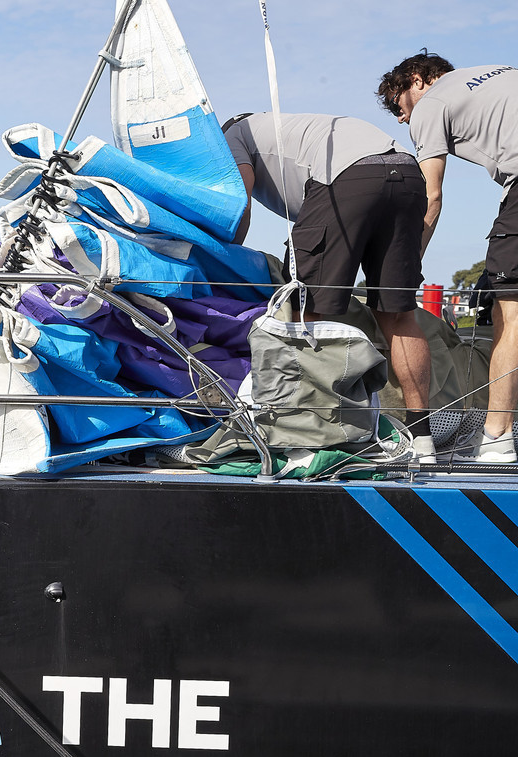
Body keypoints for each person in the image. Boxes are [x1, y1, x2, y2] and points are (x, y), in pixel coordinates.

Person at [222, 111, 436, 460]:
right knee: (398, 316)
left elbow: (239, 204)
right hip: (409, 175)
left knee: (310, 312)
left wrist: (225, 259)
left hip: (345, 178)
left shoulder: (232, 134)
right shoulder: (291, 125)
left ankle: (313, 433)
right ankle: (422, 439)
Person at [378, 52, 518, 462]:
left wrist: (405, 266)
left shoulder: (433, 102)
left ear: (418, 79)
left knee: (512, 318)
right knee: (499, 303)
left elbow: (430, 196)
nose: (401, 119)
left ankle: (497, 438)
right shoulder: (501, 71)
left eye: (396, 103)